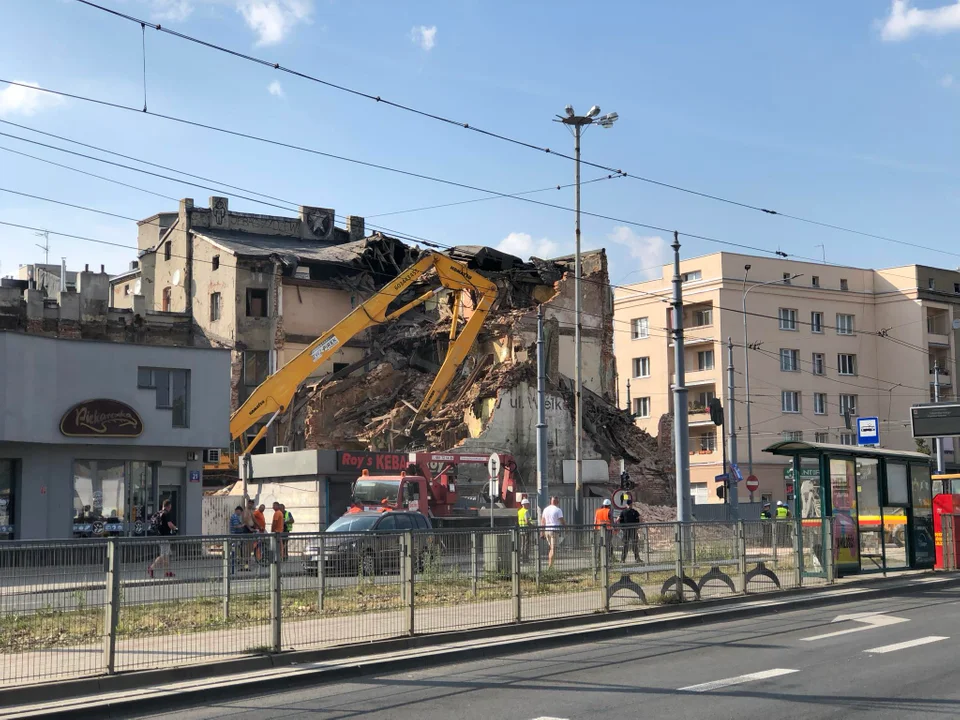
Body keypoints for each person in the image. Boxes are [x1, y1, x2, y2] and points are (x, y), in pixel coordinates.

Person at [148, 499, 177, 579]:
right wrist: (176, 528)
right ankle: (151, 568)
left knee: (166, 555)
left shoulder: (158, 513)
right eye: (170, 506)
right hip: (165, 537)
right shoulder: (166, 513)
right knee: (164, 555)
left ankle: (167, 572)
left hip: (159, 536)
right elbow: (170, 524)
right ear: (169, 506)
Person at [540, 496, 564, 568]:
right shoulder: (558, 510)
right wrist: (566, 527)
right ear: (556, 502)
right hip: (554, 530)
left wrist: (542, 531)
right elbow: (562, 520)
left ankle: (550, 565)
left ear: (551, 501)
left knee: (551, 548)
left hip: (547, 530)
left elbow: (543, 521)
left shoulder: (545, 509)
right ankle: (550, 567)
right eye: (557, 501)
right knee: (553, 549)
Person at [618, 499, 642, 563]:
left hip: (626, 530)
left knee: (626, 544)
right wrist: (638, 526)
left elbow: (618, 519)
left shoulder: (623, 512)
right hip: (633, 529)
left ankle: (622, 560)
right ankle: (637, 559)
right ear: (631, 504)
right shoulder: (634, 511)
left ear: (626, 505)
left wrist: (620, 527)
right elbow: (640, 518)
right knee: (634, 544)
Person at [229, 505, 248, 573]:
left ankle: (236, 561)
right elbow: (236, 526)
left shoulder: (236, 517)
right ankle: (233, 562)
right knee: (235, 549)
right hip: (235, 535)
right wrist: (243, 525)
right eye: (240, 512)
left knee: (236, 549)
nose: (240, 513)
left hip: (236, 535)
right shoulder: (234, 517)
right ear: (237, 510)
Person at [594, 499, 613, 565]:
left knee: (600, 544)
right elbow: (611, 521)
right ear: (609, 505)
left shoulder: (597, 511)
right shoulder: (609, 511)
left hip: (599, 530)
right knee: (609, 545)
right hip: (608, 530)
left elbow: (595, 521)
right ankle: (609, 559)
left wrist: (595, 529)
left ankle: (598, 559)